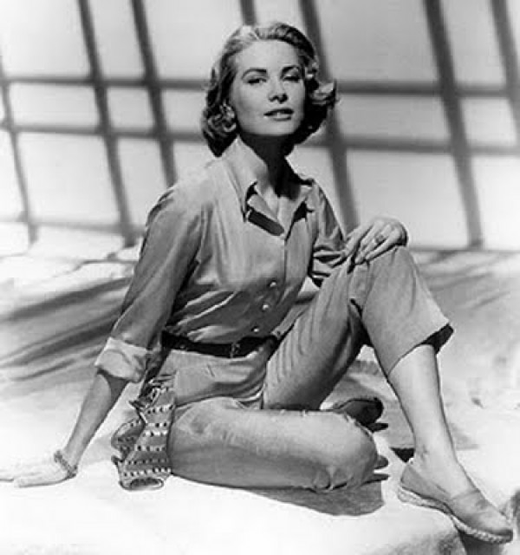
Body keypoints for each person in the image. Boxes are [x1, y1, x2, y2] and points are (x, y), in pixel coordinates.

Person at [1, 22, 512, 544]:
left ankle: (435, 463)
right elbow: (130, 340)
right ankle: (315, 429)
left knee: (383, 255)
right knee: (349, 452)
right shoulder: (191, 203)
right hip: (194, 406)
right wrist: (68, 456)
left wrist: (392, 232)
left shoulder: (307, 198)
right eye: (256, 79)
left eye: (290, 77)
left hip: (269, 377)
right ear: (227, 104)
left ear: (307, 93)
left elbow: (362, 289)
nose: (277, 91)